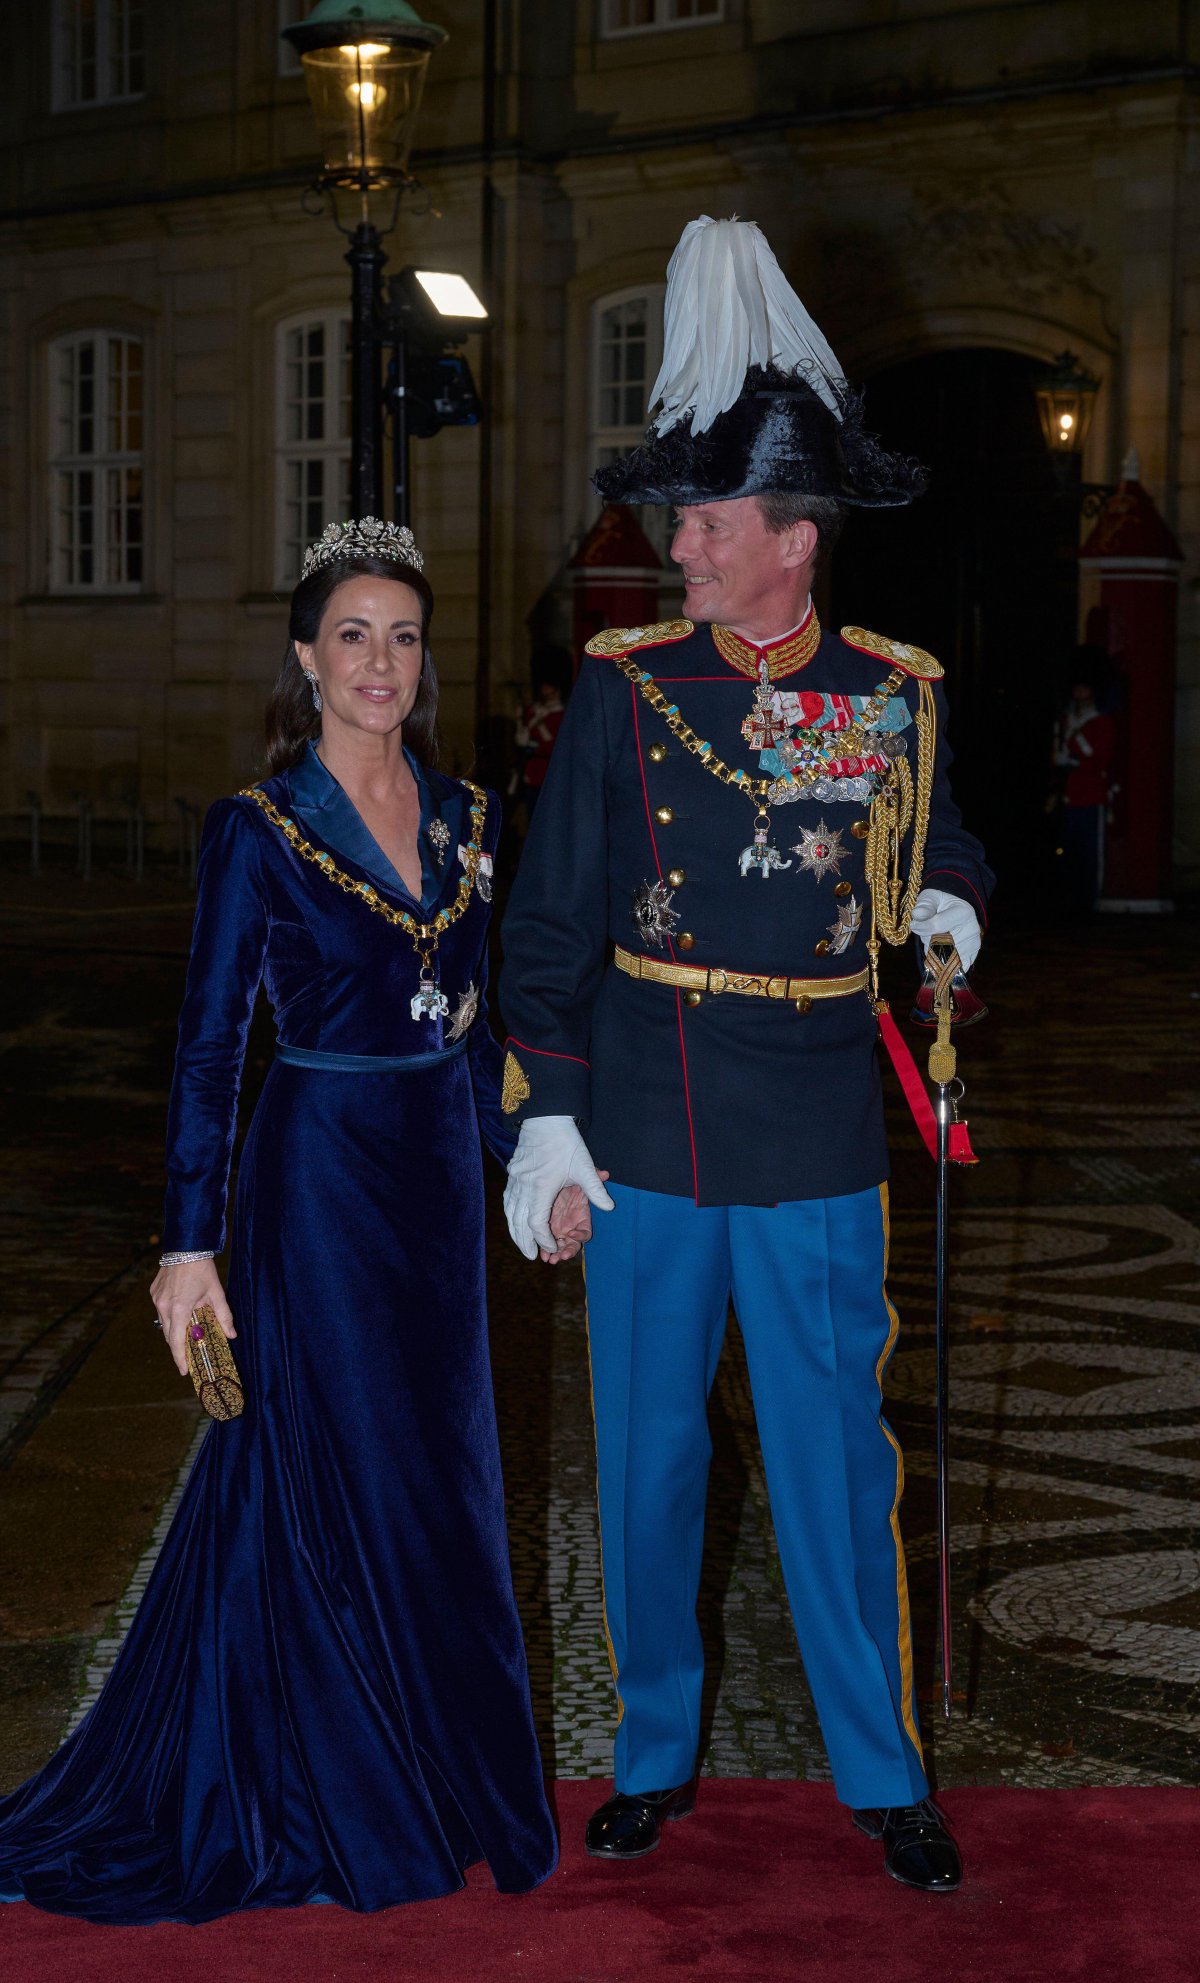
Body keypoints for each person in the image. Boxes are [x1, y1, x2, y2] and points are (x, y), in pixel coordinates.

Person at [499, 219, 993, 1895]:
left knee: (836, 1463)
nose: (680, 545)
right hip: (642, 1122)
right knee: (642, 1457)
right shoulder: (628, 691)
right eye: (685, 519)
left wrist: (949, 906)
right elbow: (554, 919)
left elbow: (954, 849)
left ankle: (880, 1766)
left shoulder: (888, 696)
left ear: (796, 538)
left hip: (807, 1126)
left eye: (710, 522)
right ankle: (653, 1748)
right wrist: (547, 1119)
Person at [0, 517, 557, 1924]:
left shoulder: (470, 818)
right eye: (354, 633)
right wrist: (188, 1244)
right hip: (313, 1175)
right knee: (333, 1462)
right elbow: (205, 1047)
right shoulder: (256, 829)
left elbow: (479, 1018)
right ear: (305, 654)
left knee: (438, 1475)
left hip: (434, 1175)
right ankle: (342, 1786)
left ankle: (438, 1762)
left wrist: (530, 1159)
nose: (381, 660)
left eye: (404, 635)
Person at [1052, 646, 1116, 912]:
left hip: (1092, 795)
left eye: (1084, 688)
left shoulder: (1100, 722)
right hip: (1071, 794)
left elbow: (1098, 757)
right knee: (1071, 851)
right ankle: (1073, 899)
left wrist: (1073, 752)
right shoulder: (1067, 718)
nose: (1079, 693)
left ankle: (1092, 901)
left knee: (1091, 854)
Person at [512, 644, 571, 822]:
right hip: (528, 775)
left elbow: (555, 744)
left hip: (549, 776)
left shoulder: (562, 714)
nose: (544, 688)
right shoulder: (531, 711)